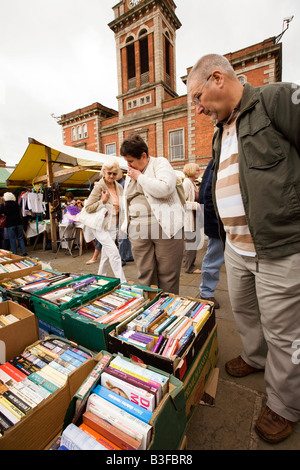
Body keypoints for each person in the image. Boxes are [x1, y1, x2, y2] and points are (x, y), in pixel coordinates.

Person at [187, 53, 300, 444]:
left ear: (218, 78)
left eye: (199, 97)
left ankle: (285, 404)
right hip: (236, 245)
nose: (198, 109)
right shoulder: (221, 130)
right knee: (245, 310)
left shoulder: (276, 99)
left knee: (284, 332)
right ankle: (254, 356)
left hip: (278, 245)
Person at [120, 134, 184, 294]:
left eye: (130, 161)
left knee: (168, 274)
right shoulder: (133, 171)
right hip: (138, 229)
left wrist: (139, 177)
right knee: (145, 274)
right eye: (127, 161)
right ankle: (149, 308)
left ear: (143, 155)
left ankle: (168, 308)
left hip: (165, 228)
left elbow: (165, 188)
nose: (128, 165)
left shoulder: (160, 163)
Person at [84, 159, 126, 282]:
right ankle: (123, 283)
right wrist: (102, 201)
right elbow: (88, 208)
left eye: (114, 173)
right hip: (100, 225)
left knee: (106, 255)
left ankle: (100, 277)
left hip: (113, 224)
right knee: (114, 254)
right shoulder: (99, 186)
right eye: (109, 173)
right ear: (103, 172)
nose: (111, 176)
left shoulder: (118, 187)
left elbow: (121, 205)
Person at [199, 158, 224, 309]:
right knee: (214, 258)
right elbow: (206, 193)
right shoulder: (218, 158)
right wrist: (215, 222)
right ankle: (206, 291)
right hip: (220, 223)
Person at [182, 163, 202, 274]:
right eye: (197, 170)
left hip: (194, 216)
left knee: (192, 241)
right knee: (191, 242)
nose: (199, 172)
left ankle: (187, 262)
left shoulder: (192, 183)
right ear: (191, 171)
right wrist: (196, 205)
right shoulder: (186, 183)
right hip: (189, 217)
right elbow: (182, 202)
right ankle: (189, 267)